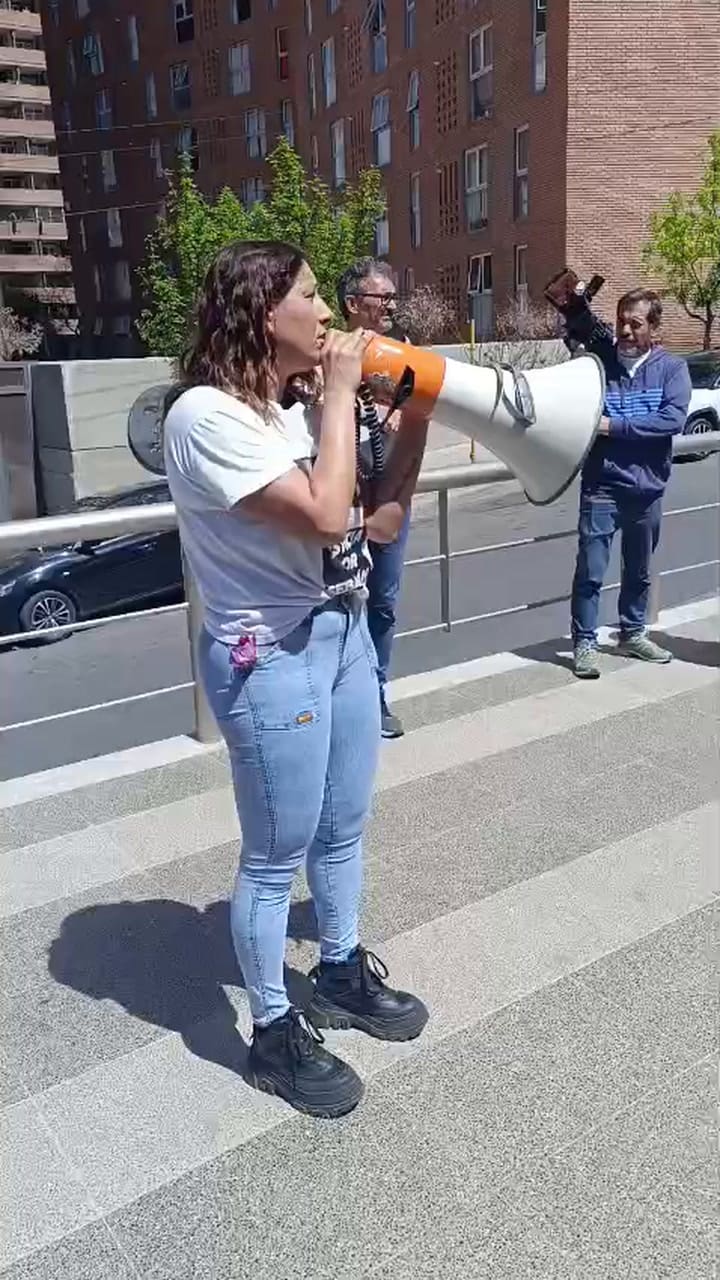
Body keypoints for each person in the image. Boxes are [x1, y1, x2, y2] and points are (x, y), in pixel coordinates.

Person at [163, 241, 429, 1119]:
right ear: (259, 312)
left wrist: (417, 418)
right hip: (267, 657)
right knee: (277, 856)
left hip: (341, 630)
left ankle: (342, 969)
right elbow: (321, 516)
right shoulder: (206, 416)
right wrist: (346, 398)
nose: (329, 314)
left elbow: (374, 524)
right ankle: (273, 1033)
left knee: (344, 826)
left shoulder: (285, 410)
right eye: (313, 298)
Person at [569, 288, 692, 679]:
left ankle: (633, 633)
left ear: (653, 328)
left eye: (635, 323)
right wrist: (572, 311)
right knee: (590, 570)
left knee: (638, 571)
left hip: (647, 489)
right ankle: (584, 643)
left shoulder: (672, 369)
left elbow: (671, 421)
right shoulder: (598, 363)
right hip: (601, 486)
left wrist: (614, 427)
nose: (624, 329)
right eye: (621, 320)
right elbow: (577, 333)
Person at [337, 257, 412, 738]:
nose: (389, 304)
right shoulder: (332, 355)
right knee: (343, 603)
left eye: (391, 296)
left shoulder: (404, 352)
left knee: (383, 602)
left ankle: (377, 694)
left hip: (389, 500)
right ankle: (346, 696)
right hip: (345, 502)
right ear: (352, 304)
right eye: (379, 297)